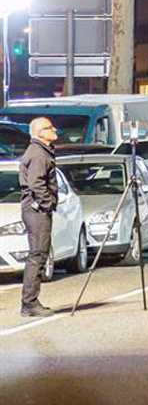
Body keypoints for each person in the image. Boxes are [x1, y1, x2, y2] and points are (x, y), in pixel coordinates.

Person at [19, 117, 59, 318]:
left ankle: (30, 302)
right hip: (36, 211)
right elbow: (37, 184)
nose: (54, 130)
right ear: (39, 132)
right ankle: (29, 303)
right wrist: (48, 203)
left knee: (39, 255)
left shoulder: (40, 151)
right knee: (37, 255)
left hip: (35, 210)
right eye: (50, 128)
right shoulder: (38, 153)